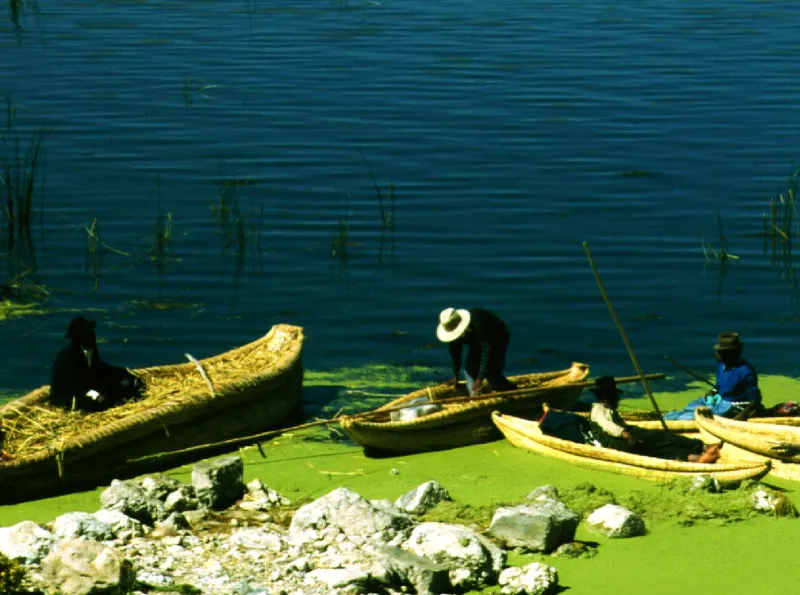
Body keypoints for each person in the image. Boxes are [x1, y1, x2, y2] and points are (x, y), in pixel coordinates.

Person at [589, 376, 720, 463]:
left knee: (659, 444)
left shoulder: (608, 409)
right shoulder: (598, 409)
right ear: (606, 397)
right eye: (614, 396)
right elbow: (607, 425)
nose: (617, 399)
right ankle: (698, 449)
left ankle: (693, 454)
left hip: (624, 439)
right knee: (659, 440)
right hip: (619, 443)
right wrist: (625, 434)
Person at [50, 316, 142, 412]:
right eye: (87, 333)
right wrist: (95, 394)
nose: (92, 335)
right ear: (79, 338)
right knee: (99, 402)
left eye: (91, 332)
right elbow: (75, 383)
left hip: (86, 385)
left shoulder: (91, 349)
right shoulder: (69, 356)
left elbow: (99, 367)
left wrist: (122, 374)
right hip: (70, 394)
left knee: (119, 386)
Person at [664, 332, 762, 421]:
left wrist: (743, 414)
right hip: (718, 401)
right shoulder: (722, 366)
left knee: (689, 417)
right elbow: (718, 386)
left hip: (731, 406)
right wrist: (713, 392)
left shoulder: (746, 371)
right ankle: (671, 417)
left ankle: (679, 420)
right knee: (691, 407)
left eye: (720, 352)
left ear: (730, 354)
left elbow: (755, 399)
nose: (716, 354)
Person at [436, 307, 517, 396]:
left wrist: (480, 378)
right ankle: (474, 395)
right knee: (469, 370)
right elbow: (455, 352)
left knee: (492, 375)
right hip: (476, 342)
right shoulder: (452, 327)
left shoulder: (478, 323)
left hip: (497, 338)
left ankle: (512, 391)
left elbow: (487, 351)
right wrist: (456, 375)